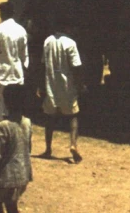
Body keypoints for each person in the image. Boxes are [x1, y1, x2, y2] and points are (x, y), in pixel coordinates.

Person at [0, 84, 33, 213]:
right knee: (11, 204)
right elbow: (28, 149)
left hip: (7, 176)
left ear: (6, 102)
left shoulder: (4, 126)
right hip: (23, 173)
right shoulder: (27, 123)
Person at [0, 1, 29, 142]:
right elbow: (24, 55)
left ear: (2, 13)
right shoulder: (21, 30)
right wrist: (24, 70)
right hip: (16, 74)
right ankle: (15, 136)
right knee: (14, 106)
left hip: (0, 74)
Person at [39, 28, 86, 162]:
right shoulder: (70, 43)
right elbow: (76, 66)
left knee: (49, 117)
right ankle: (73, 144)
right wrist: (80, 84)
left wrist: (41, 85)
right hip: (67, 85)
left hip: (51, 84)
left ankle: (48, 148)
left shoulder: (48, 41)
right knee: (73, 115)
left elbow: (43, 64)